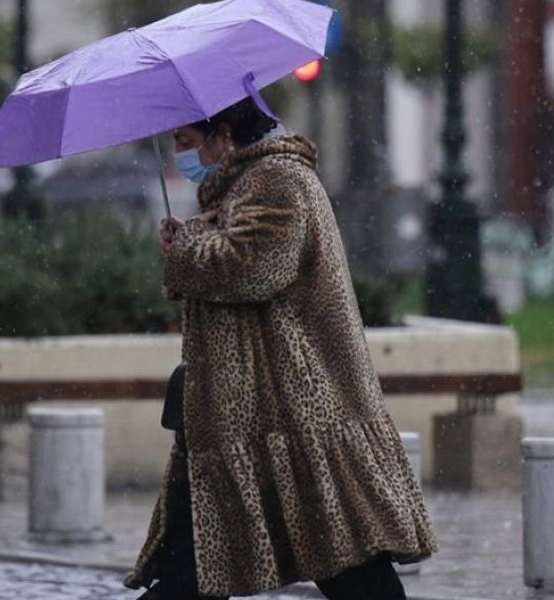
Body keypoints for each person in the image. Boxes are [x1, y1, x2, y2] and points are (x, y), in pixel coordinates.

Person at [124, 98, 437, 600]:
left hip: (293, 411)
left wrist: (189, 245)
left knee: (348, 565)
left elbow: (251, 268)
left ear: (225, 134)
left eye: (185, 141)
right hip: (249, 417)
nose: (181, 154)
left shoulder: (277, 180)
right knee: (197, 566)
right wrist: (194, 238)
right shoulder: (249, 182)